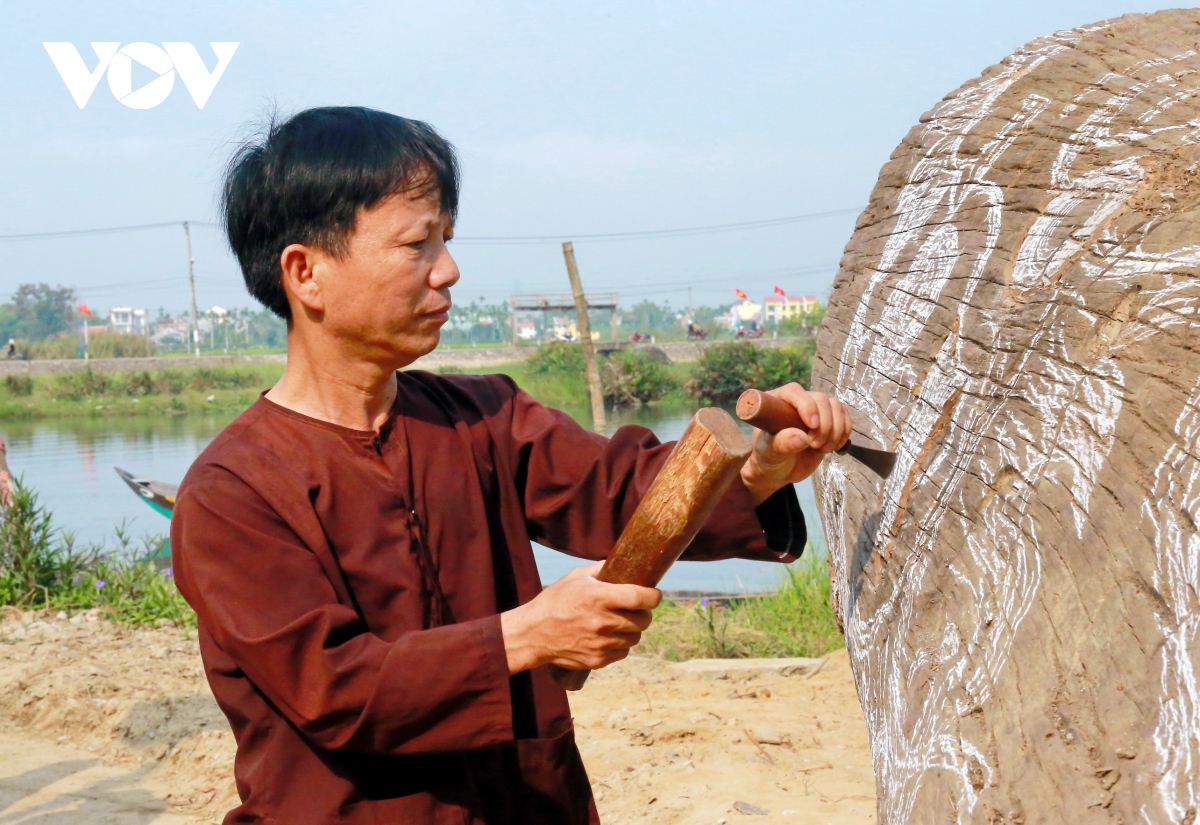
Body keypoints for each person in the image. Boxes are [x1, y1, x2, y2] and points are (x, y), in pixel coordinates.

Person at [171, 107, 852, 825]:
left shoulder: (481, 418)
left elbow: (619, 488)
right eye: (416, 244)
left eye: (447, 239)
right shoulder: (233, 493)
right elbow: (336, 686)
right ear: (306, 272)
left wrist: (758, 471)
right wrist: (528, 635)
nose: (449, 269)